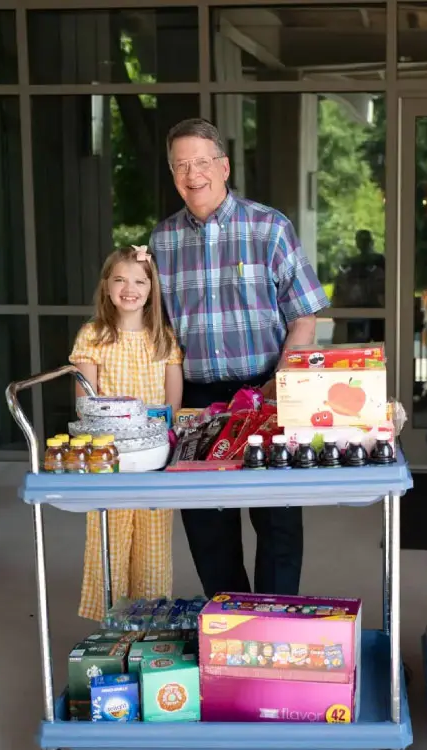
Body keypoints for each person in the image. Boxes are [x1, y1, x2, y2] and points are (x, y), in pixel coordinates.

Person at [149, 117, 329, 599]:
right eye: (181, 165)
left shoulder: (269, 227)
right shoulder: (161, 242)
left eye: (202, 162)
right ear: (172, 174)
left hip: (267, 390)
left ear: (224, 166)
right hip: (198, 399)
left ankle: (272, 622)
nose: (193, 173)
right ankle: (231, 623)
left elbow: (304, 318)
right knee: (208, 528)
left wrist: (278, 385)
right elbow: (157, 332)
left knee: (278, 523)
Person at [69, 245, 184, 620]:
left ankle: (149, 626)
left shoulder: (164, 338)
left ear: (152, 290)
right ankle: (110, 627)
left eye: (139, 280)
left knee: (153, 547)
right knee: (110, 542)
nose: (129, 288)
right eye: (119, 279)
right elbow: (85, 403)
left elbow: (173, 407)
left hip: (153, 460)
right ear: (106, 286)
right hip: (110, 460)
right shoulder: (93, 336)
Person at [332, 229, 385, 344]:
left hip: (376, 311)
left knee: (379, 348)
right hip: (357, 312)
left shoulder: (379, 262)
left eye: (365, 240)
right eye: (361, 240)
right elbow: (340, 287)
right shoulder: (350, 264)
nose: (363, 243)